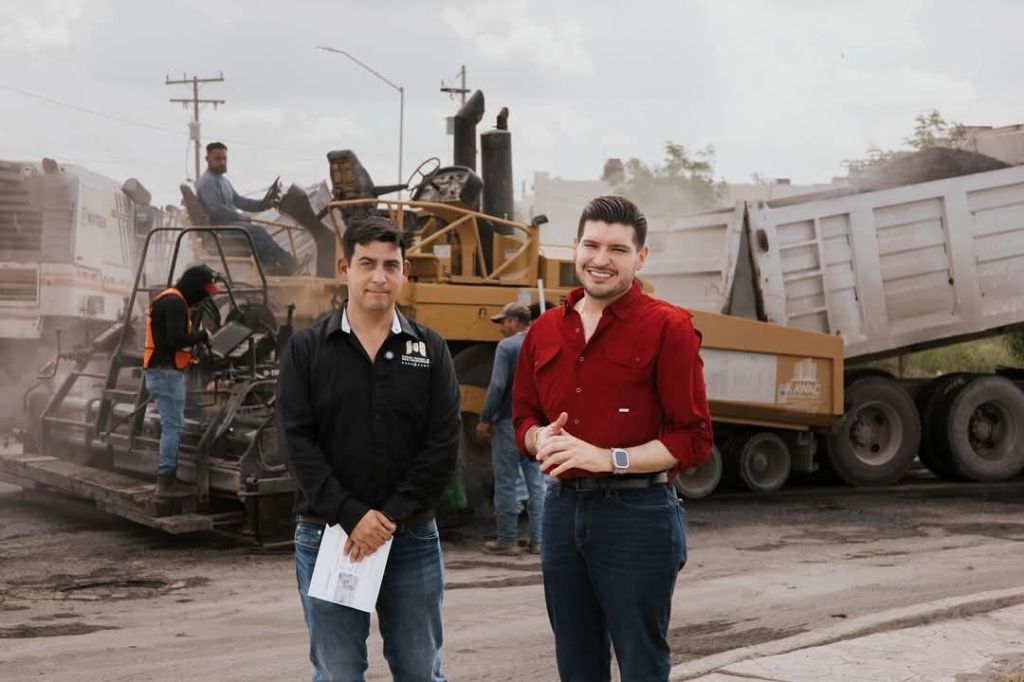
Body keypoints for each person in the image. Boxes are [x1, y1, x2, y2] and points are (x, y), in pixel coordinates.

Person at [513, 195, 713, 682]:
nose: (601, 259)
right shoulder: (543, 331)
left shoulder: (669, 328)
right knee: (576, 664)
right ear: (574, 248)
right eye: (591, 245)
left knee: (642, 664)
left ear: (640, 257)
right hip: (560, 513)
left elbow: (692, 438)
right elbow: (521, 418)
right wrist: (539, 440)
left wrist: (609, 458)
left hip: (638, 518)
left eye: (618, 250)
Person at [277, 215, 460, 681]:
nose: (379, 276)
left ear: (405, 271)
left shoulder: (430, 350)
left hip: (411, 539)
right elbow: (297, 441)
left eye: (390, 265)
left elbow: (442, 445)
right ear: (345, 268)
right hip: (328, 536)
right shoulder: (307, 350)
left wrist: (389, 516)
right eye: (367, 263)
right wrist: (351, 515)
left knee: (420, 671)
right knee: (338, 673)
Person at [143, 264, 218, 497]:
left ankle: (168, 478)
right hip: (166, 373)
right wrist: (202, 335)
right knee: (173, 427)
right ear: (197, 288)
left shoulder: (169, 299)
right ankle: (166, 482)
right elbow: (176, 338)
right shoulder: (175, 302)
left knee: (171, 425)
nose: (206, 298)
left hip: (161, 371)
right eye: (206, 292)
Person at [477, 302, 544, 556]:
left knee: (506, 482)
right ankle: (538, 541)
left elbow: (497, 386)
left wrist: (484, 418)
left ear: (515, 322)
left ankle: (508, 540)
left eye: (503, 322)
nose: (501, 327)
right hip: (536, 426)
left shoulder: (507, 347)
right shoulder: (542, 343)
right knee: (537, 483)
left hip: (508, 422)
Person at [194, 141, 296, 275]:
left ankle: (272, 267)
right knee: (257, 231)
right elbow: (216, 210)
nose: (222, 162)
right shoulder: (207, 181)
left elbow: (239, 201)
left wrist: (264, 204)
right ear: (207, 159)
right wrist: (241, 217)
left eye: (224, 158)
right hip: (220, 229)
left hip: (230, 225)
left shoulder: (223, 181)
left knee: (255, 230)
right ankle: (287, 263)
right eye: (217, 158)